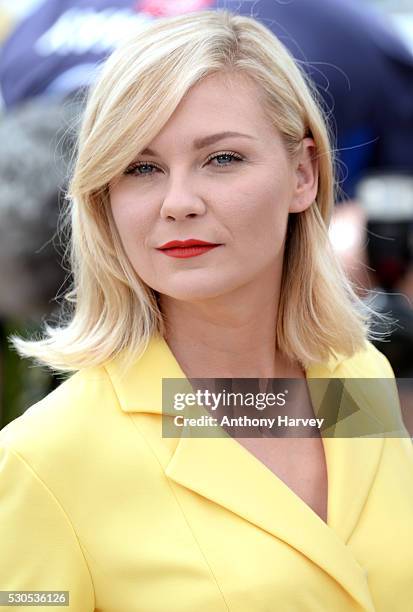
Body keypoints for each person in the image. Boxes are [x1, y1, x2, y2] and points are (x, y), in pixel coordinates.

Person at [0, 10, 412, 611]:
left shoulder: (355, 381)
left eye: (221, 159)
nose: (179, 202)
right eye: (141, 168)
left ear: (303, 173)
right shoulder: (44, 460)